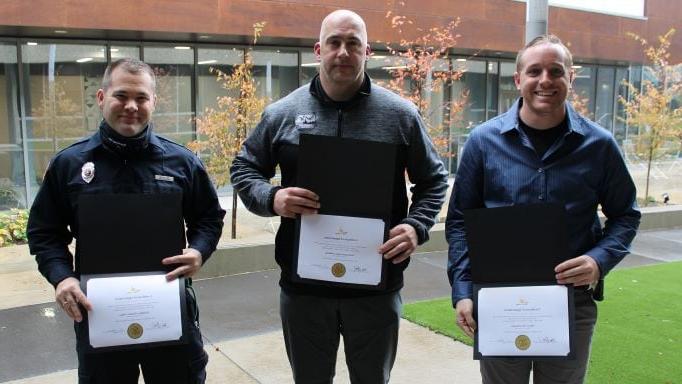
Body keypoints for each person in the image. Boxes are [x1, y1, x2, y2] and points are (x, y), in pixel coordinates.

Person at [230, 9, 448, 383]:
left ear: (367, 51)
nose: (343, 52)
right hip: (304, 291)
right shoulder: (282, 114)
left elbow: (434, 180)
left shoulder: (400, 115)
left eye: (353, 44)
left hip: (376, 287)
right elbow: (244, 169)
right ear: (319, 49)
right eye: (334, 42)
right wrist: (272, 198)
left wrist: (416, 227)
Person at [445, 34, 641, 383]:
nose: (545, 80)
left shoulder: (600, 146)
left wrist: (599, 260)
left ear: (570, 78)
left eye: (556, 71)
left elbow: (625, 215)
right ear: (518, 80)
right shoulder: (482, 142)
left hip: (571, 303)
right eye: (535, 71)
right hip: (499, 301)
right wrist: (462, 290)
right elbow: (461, 221)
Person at [27, 58, 226, 384]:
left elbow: (209, 217)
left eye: (141, 98)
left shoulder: (182, 162)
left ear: (153, 103)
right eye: (121, 96)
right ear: (102, 98)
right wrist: (62, 278)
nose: (131, 106)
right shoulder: (69, 164)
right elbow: (44, 231)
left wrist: (199, 251)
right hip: (101, 316)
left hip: (168, 312)